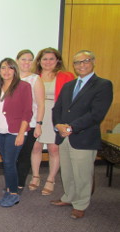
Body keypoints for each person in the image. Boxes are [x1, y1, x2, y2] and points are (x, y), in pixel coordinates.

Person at [51, 50, 112, 219]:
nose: (81, 65)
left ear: (93, 62)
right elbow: (58, 108)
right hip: (64, 136)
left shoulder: (103, 85)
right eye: (77, 62)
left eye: (85, 61)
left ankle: (81, 204)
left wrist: (71, 127)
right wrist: (57, 125)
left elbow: (96, 114)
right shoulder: (69, 85)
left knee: (82, 173)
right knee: (68, 172)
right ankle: (69, 197)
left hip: (84, 137)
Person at [30, 48, 74, 195]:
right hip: (36, 114)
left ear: (57, 61)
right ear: (39, 61)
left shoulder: (66, 76)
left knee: (53, 149)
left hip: (56, 115)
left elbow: (72, 99)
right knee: (35, 147)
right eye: (44, 59)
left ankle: (51, 179)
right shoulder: (34, 76)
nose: (48, 62)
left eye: (51, 59)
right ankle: (35, 176)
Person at [0, 58, 32, 207]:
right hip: (0, 131)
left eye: (10, 68)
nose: (6, 71)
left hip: (15, 131)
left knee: (10, 162)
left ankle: (14, 194)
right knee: (7, 162)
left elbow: (27, 112)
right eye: (3, 68)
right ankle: (9, 190)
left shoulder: (24, 86)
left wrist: (21, 133)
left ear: (15, 70)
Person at [15, 50, 45, 193]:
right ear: (17, 61)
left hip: (30, 124)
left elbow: (41, 104)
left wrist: (39, 124)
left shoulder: (35, 79)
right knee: (12, 156)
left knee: (24, 155)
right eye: (23, 59)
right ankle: (12, 181)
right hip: (12, 125)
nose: (26, 62)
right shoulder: (10, 77)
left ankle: (19, 184)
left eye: (30, 60)